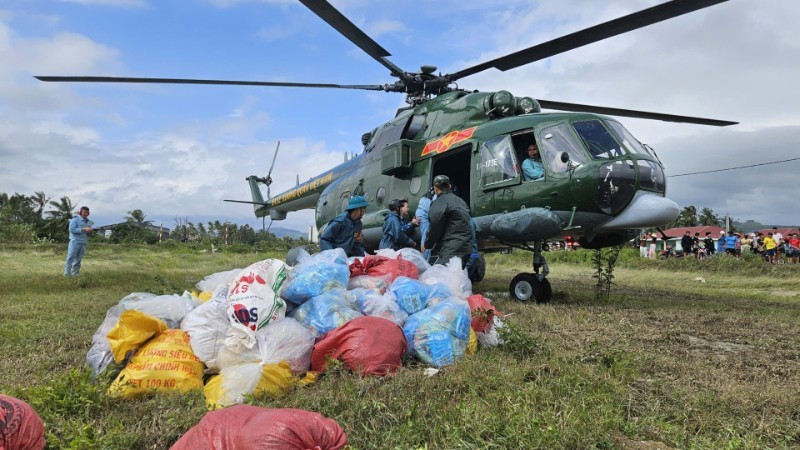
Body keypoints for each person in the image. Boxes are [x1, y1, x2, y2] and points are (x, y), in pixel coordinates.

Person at [425, 175, 473, 268]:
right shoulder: (461, 201)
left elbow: (435, 226)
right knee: (456, 277)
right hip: (466, 247)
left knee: (439, 276)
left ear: (435, 189)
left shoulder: (439, 203)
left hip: (452, 247)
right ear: (449, 186)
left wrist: (428, 244)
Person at [64, 206, 93, 277]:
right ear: (80, 212)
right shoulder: (74, 220)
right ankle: (66, 274)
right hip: (75, 242)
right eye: (84, 212)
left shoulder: (89, 221)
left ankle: (75, 275)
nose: (86, 214)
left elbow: (88, 232)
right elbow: (72, 230)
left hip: (83, 242)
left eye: (87, 212)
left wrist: (90, 231)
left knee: (78, 259)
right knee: (70, 258)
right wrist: (84, 229)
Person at [415, 187, 435, 261]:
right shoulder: (433, 197)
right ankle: (424, 260)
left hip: (421, 216)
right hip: (423, 217)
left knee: (425, 237)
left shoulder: (424, 198)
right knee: (426, 238)